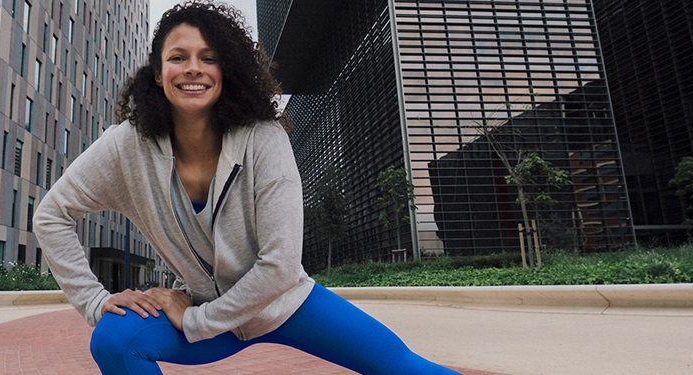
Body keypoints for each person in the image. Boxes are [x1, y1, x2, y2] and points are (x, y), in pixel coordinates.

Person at [34, 2, 460, 374]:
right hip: (201, 308)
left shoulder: (264, 138)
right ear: (158, 74)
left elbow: (279, 266)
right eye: (178, 57)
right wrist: (93, 301)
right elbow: (51, 215)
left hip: (285, 305)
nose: (193, 68)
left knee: (403, 367)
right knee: (113, 339)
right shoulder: (128, 144)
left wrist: (199, 321)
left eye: (208, 57)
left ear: (227, 70)